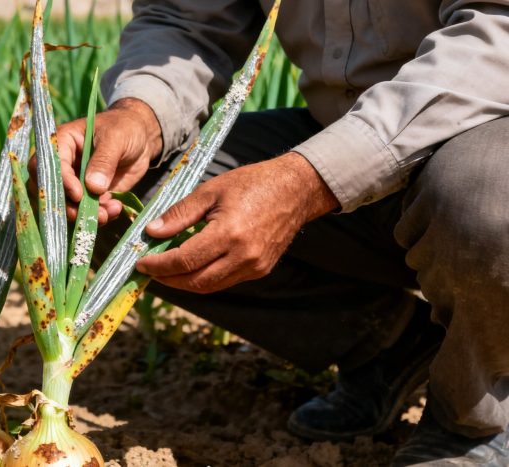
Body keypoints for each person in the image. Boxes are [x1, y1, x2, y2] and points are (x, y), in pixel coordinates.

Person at [54, 1, 509, 465]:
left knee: (489, 201)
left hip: (486, 139)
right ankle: (388, 342)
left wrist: (308, 181)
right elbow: (187, 19)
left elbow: (499, 35)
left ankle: (477, 420)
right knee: (101, 199)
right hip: (338, 134)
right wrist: (141, 113)